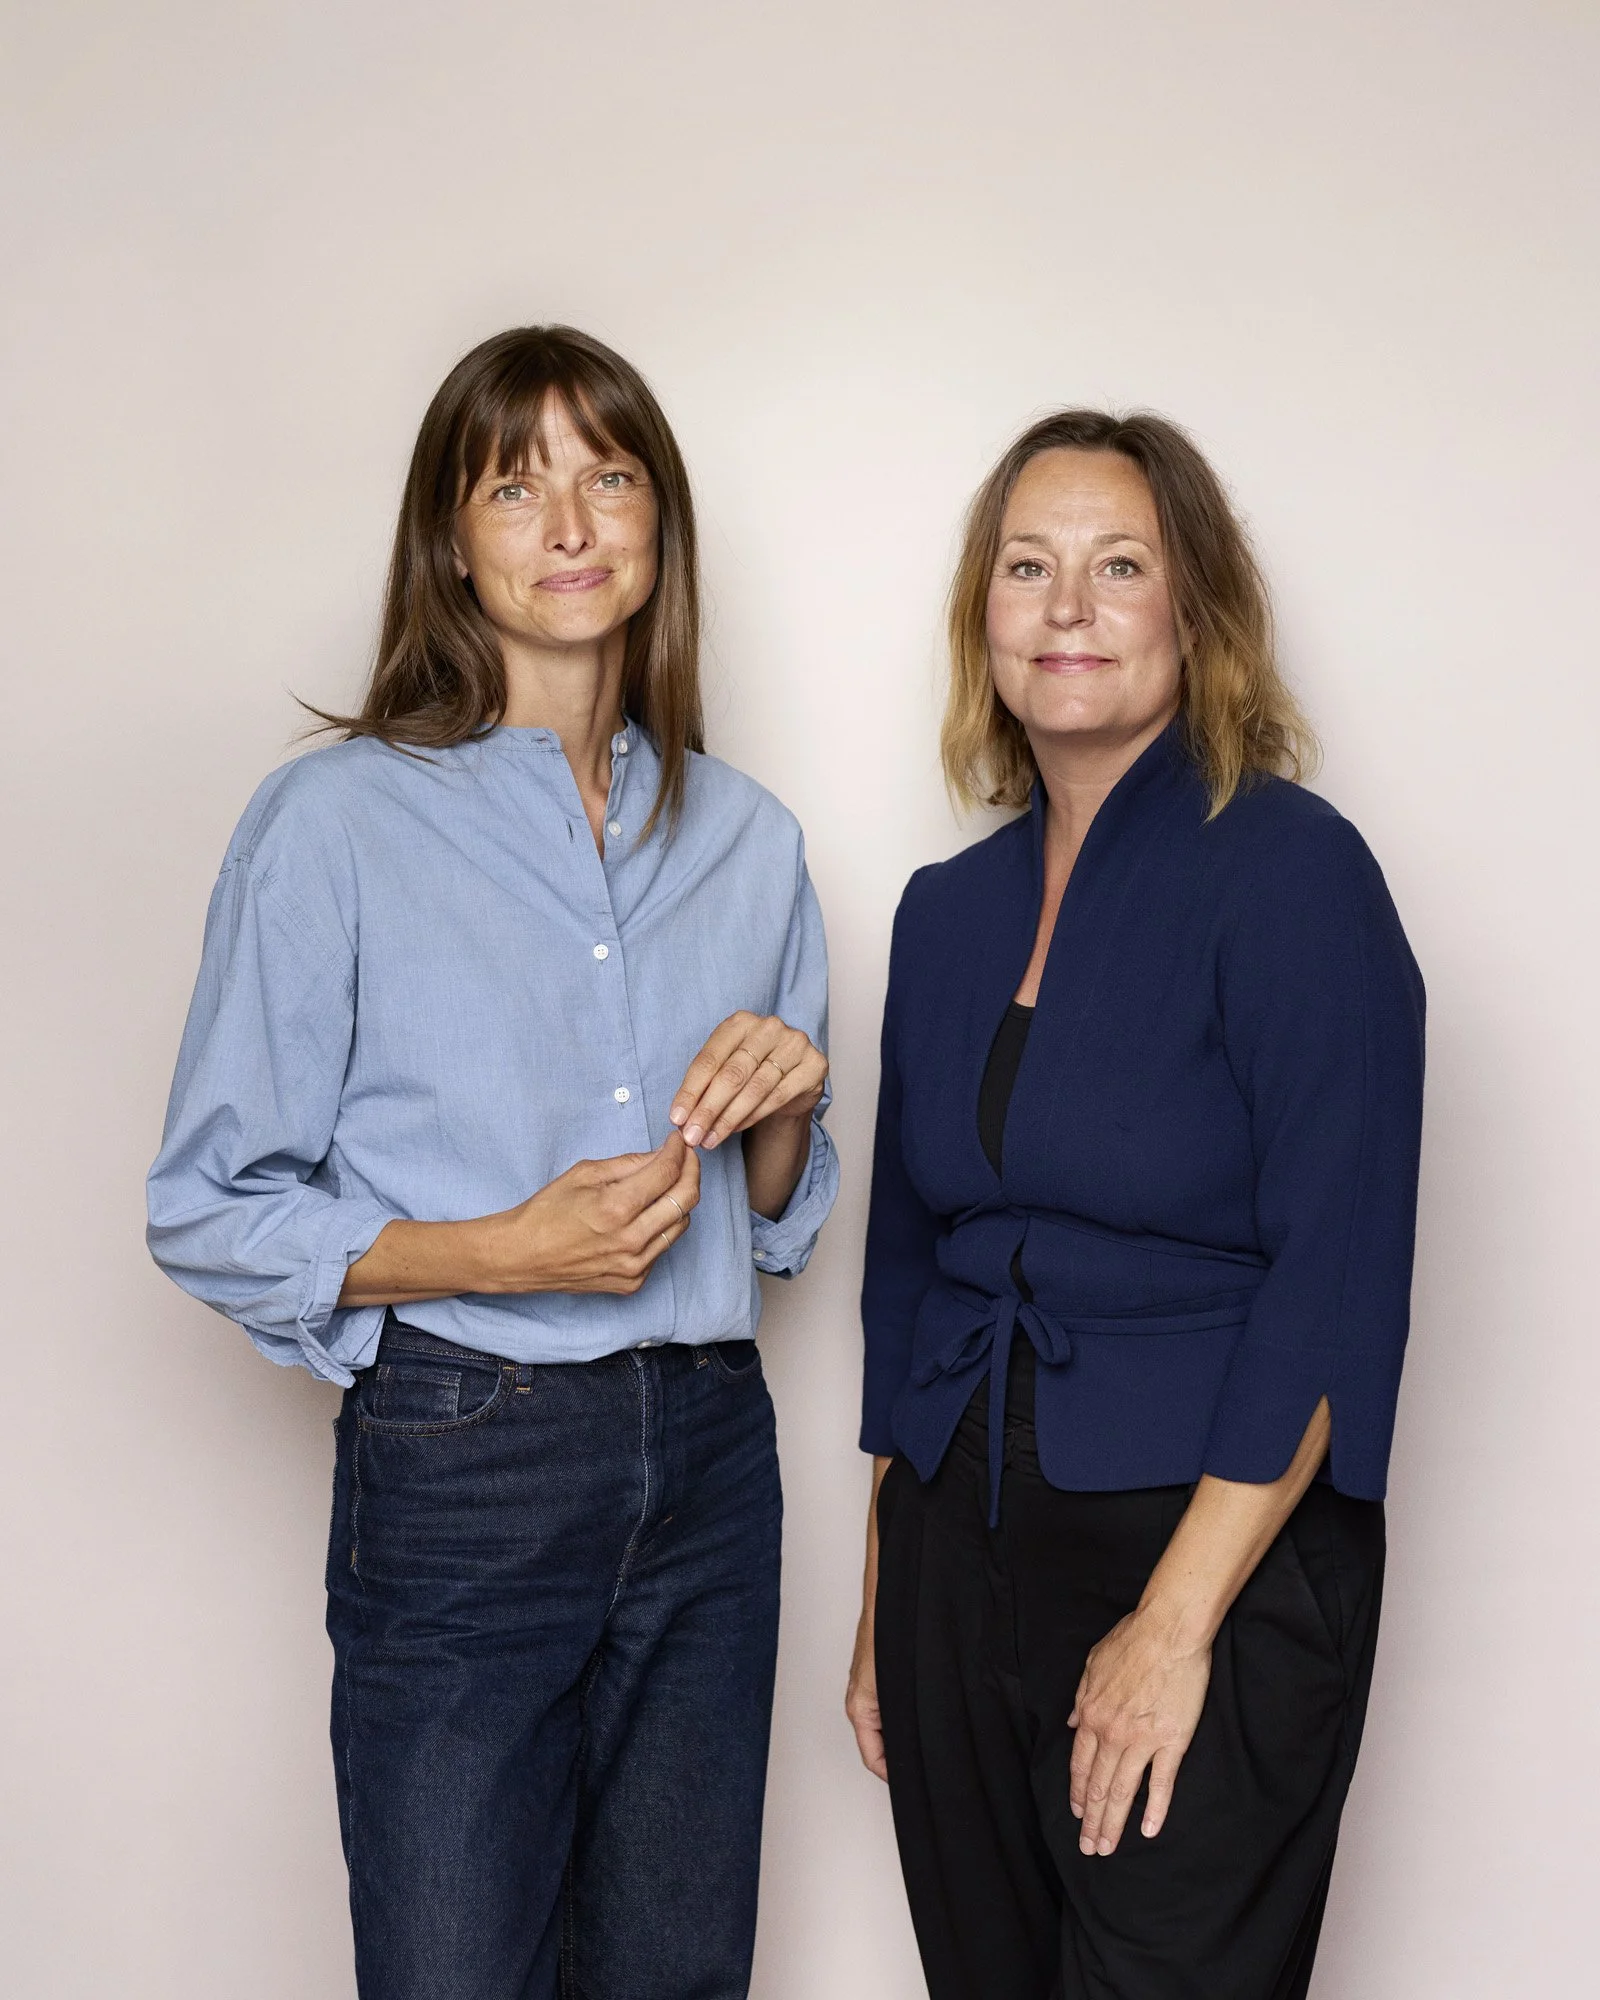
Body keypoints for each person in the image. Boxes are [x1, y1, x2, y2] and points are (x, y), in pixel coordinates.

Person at [148, 325, 838, 2000]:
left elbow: (782, 1225)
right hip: (466, 1456)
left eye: (608, 475)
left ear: (661, 523)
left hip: (710, 1456)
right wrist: (494, 1252)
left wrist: (790, 1111)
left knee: (678, 1975)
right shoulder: (334, 824)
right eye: (514, 484)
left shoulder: (750, 841)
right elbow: (208, 1206)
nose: (570, 522)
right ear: (451, 538)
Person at [845, 410, 1424, 2000]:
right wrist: (890, 1593)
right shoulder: (947, 913)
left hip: (1207, 1554)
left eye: (1119, 565)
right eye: (1028, 568)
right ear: (986, 615)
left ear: (1198, 611)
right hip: (961, 1557)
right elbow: (910, 1271)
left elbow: (1336, 1275)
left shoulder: (1294, 873)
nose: (1068, 606)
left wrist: (1173, 1630)